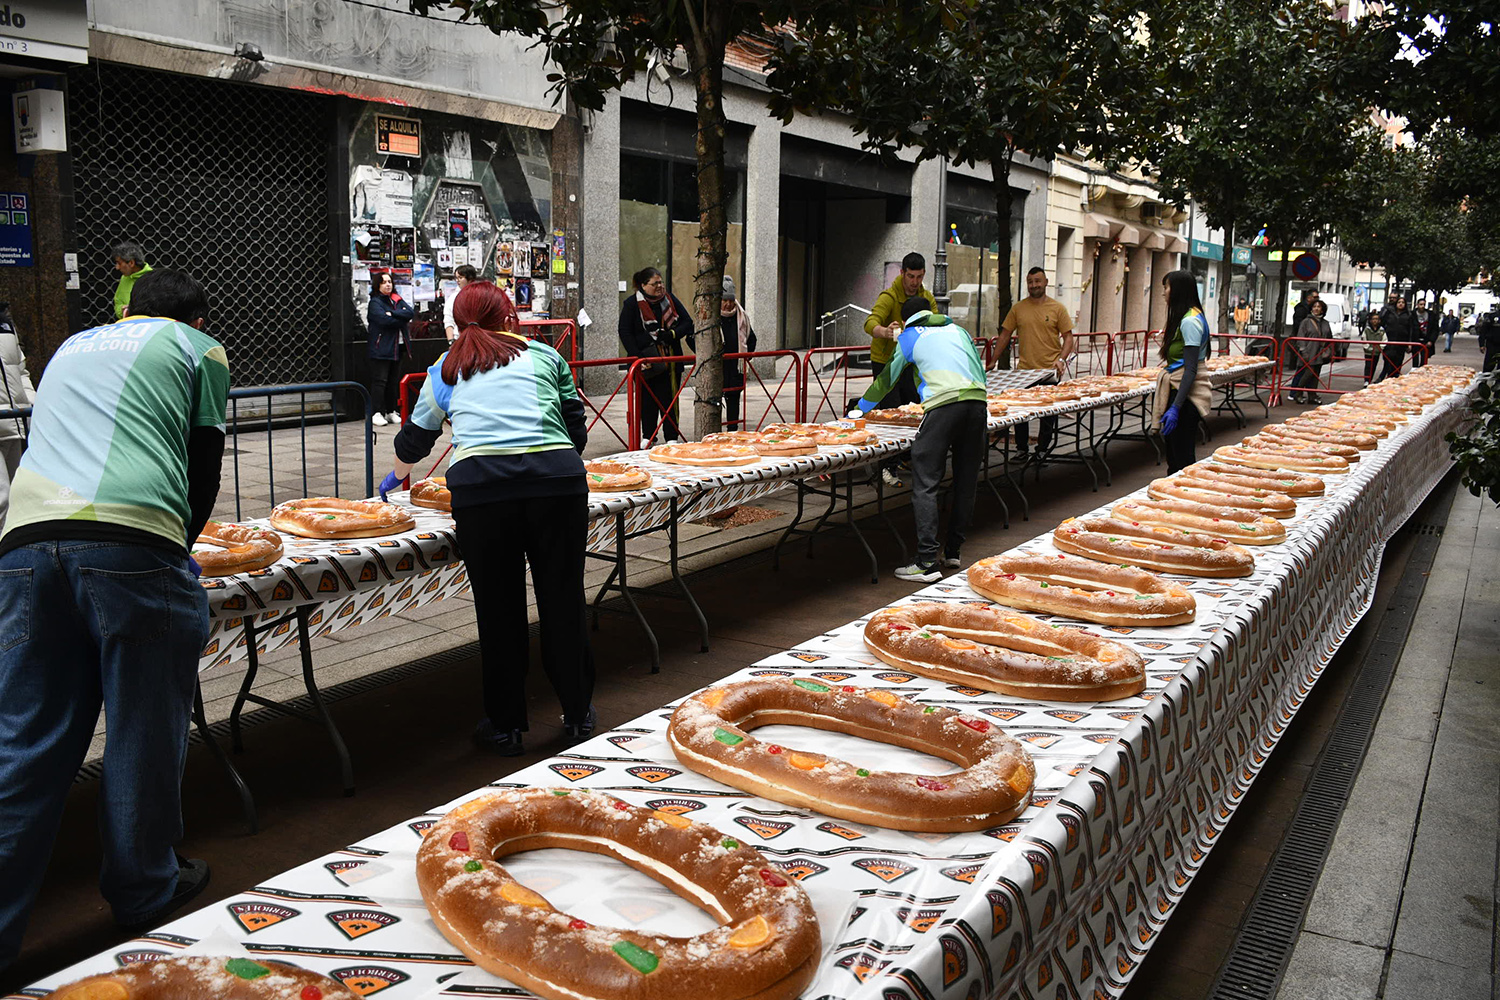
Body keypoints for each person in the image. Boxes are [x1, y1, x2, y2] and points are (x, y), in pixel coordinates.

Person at [0, 269, 229, 971]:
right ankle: (143, 889)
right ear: (194, 316)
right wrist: (176, 551)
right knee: (142, 731)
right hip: (131, 549)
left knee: (24, 743)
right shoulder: (199, 349)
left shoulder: (71, 345)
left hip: (23, 549)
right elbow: (203, 465)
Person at [380, 282, 595, 756]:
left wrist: (394, 481)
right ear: (510, 317)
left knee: (498, 611)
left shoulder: (444, 369)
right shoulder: (546, 358)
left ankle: (505, 728)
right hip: (557, 485)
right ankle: (578, 715)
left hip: (481, 494)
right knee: (563, 599)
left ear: (455, 323)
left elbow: (414, 444)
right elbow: (575, 430)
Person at [849, 296, 987, 583]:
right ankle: (953, 552)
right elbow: (979, 369)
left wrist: (859, 409)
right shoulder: (959, 331)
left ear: (906, 317)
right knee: (966, 480)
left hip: (943, 406)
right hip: (978, 404)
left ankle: (926, 561)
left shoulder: (910, 336)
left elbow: (887, 379)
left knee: (925, 481)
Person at [864, 253, 937, 487]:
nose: (914, 282)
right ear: (902, 273)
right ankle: (887, 466)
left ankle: (907, 457)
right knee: (891, 413)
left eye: (919, 277)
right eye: (910, 276)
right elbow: (869, 323)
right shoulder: (889, 296)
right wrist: (885, 331)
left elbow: (935, 322)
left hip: (912, 364)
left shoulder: (927, 298)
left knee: (913, 410)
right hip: (886, 363)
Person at [994, 267, 1075, 461]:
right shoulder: (1018, 308)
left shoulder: (1058, 308)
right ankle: (1022, 449)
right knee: (1021, 413)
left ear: (1046, 282)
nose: (1034, 285)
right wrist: (992, 361)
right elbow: (1005, 335)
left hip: (1049, 371)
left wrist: (1061, 359)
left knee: (1048, 414)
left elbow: (1068, 338)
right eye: (1030, 281)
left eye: (1037, 281)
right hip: (1024, 372)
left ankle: (1043, 449)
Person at [618, 267, 694, 449]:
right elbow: (625, 332)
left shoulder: (669, 300)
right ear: (643, 285)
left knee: (669, 398)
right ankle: (648, 435)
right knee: (647, 400)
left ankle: (671, 436)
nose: (660, 286)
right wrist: (638, 357)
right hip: (645, 361)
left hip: (670, 360)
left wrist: (672, 334)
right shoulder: (631, 304)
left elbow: (687, 322)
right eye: (655, 283)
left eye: (661, 282)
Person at [1152, 270, 1213, 474]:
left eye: (1167, 287)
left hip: (1185, 396)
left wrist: (1176, 407)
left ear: (1178, 290)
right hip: (1180, 392)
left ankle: (1182, 497)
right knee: (1175, 453)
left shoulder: (1190, 321)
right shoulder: (1189, 316)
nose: (1164, 293)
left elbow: (1191, 369)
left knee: (1182, 459)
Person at [0, 306, 33, 530]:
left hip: (13, 421)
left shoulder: (5, 325)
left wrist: (34, 406)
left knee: (17, 493)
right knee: (2, 497)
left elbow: (20, 372)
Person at [367, 270, 413, 427]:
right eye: (384, 282)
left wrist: (393, 313)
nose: (388, 285)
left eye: (389, 282)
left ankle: (391, 411)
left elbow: (410, 313)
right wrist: (399, 317)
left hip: (398, 347)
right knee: (380, 381)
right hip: (382, 348)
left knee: (393, 381)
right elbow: (384, 321)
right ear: (377, 285)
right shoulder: (375, 302)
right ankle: (376, 412)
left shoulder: (396, 299)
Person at [719, 275, 757, 430]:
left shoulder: (741, 316)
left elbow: (752, 339)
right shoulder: (710, 317)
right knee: (714, 402)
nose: (728, 304)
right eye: (724, 300)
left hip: (735, 368)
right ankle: (714, 434)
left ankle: (732, 432)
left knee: (734, 401)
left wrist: (744, 357)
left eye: (731, 300)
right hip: (718, 368)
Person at [1289, 300, 1333, 404]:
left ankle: (1312, 395)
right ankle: (1298, 393)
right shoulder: (1306, 322)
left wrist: (1328, 350)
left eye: (1319, 307)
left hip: (1320, 353)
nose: (1316, 309)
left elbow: (1329, 337)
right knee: (1308, 373)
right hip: (1308, 352)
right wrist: (1303, 350)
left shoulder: (1325, 323)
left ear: (1323, 309)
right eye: (1314, 306)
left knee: (1316, 374)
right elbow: (1300, 336)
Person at [110, 241, 152, 322]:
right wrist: (123, 311)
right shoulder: (124, 278)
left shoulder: (154, 278)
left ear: (131, 263)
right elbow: (118, 302)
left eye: (119, 263)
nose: (117, 268)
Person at [1377, 296, 1414, 381]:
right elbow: (1382, 325)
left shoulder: (1408, 315)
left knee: (1398, 362)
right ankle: (1386, 377)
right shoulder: (1389, 313)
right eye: (1399, 302)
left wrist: (1409, 343)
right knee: (1388, 360)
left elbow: (1410, 329)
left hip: (1401, 342)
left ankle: (1394, 378)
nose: (1401, 304)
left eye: (1403, 302)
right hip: (1389, 341)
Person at [443, 265, 480, 343]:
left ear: (470, 279)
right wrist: (451, 341)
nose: (457, 281)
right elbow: (448, 320)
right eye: (456, 278)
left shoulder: (480, 295)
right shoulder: (453, 298)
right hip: (459, 339)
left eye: (460, 278)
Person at [1360, 311, 1385, 385]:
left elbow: (1384, 339)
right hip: (1368, 351)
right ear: (1370, 320)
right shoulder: (1367, 330)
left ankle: (1370, 379)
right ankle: (1366, 380)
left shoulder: (1381, 330)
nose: (1375, 320)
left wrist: (1381, 347)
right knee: (1368, 365)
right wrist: (1367, 347)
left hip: (1377, 351)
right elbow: (1364, 339)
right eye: (1373, 319)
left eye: (1377, 319)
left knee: (1374, 365)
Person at [1412, 298, 1435, 367]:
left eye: (1424, 304)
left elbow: (1434, 329)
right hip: (1415, 339)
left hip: (1426, 339)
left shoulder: (1430, 315)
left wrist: (1431, 340)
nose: (1422, 306)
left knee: (1424, 359)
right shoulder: (1412, 314)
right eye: (1421, 304)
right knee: (1415, 359)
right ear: (1417, 305)